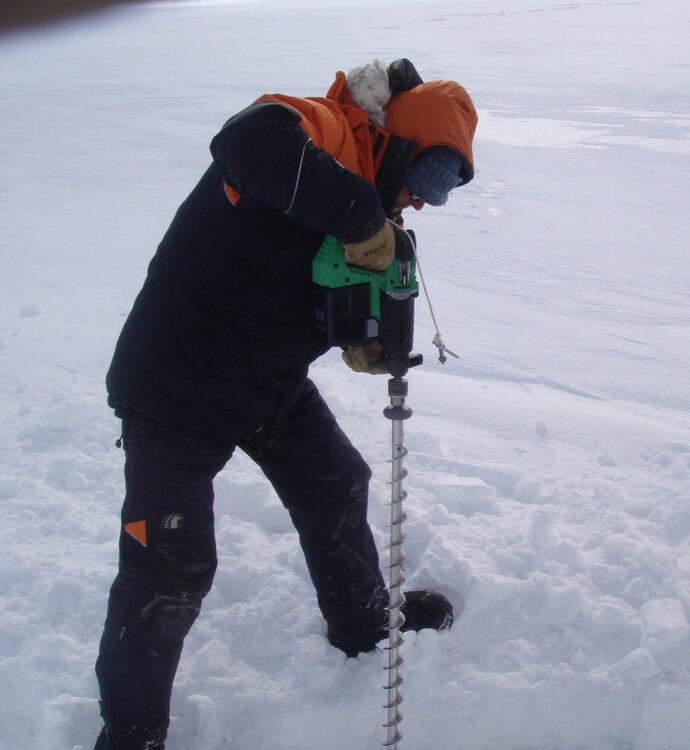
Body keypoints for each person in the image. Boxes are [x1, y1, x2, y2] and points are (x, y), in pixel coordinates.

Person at [93, 58, 478, 750]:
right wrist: (362, 215)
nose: (420, 201)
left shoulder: (360, 190)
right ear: (401, 141)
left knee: (337, 481)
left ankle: (363, 621)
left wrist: (353, 334)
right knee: (171, 564)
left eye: (439, 193)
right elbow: (247, 142)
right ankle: (131, 734)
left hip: (264, 382)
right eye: (426, 180)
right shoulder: (323, 127)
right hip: (176, 380)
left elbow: (280, 276)